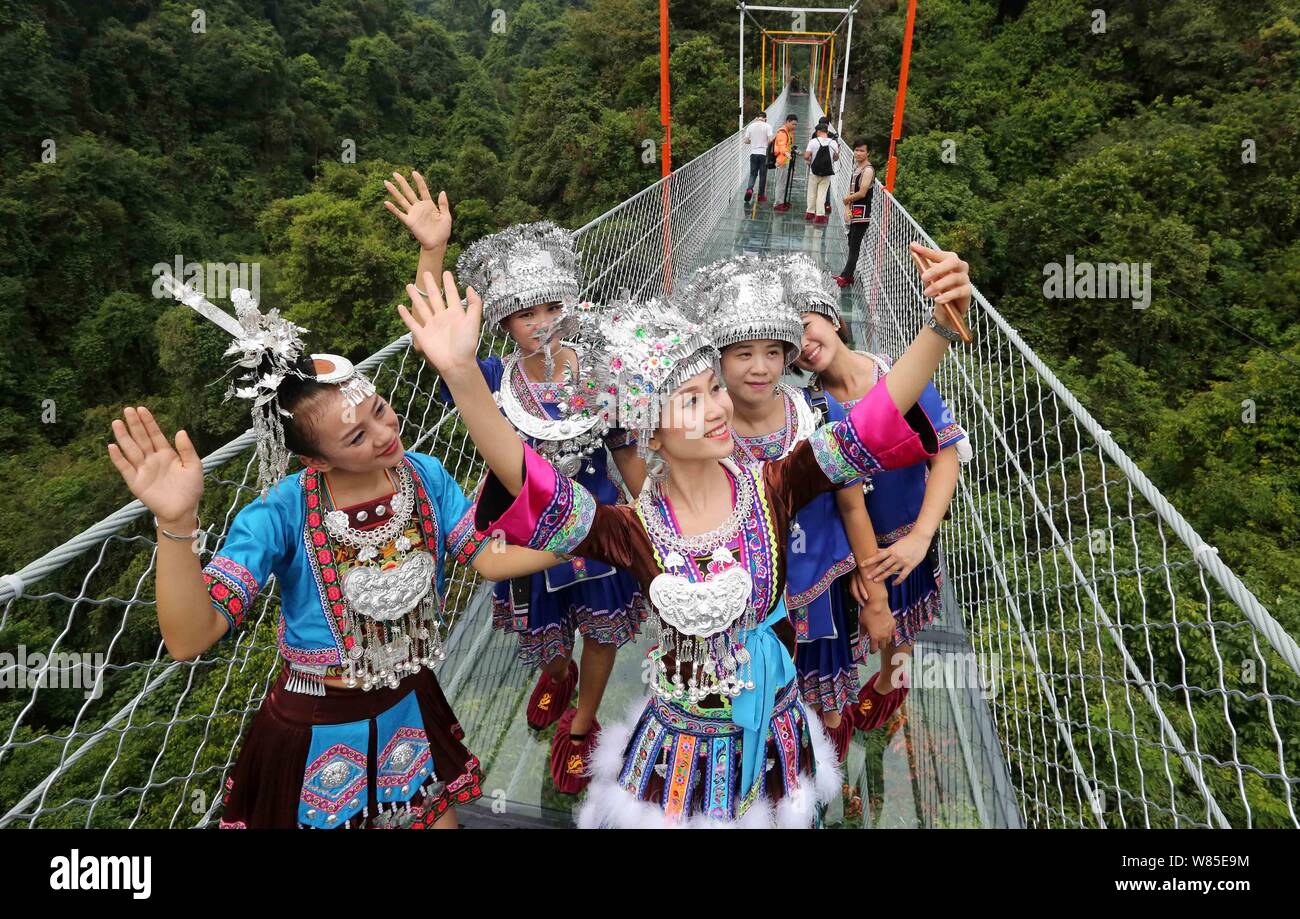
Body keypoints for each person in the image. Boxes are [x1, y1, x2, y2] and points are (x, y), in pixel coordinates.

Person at [398, 239, 974, 827]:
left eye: (714, 389)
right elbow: (530, 482)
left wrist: (938, 329)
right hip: (679, 743)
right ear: (651, 433)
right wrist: (463, 375)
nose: (720, 407)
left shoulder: (776, 485)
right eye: (691, 400)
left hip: (773, 718)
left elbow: (873, 420)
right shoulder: (632, 531)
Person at [107, 283, 562, 829]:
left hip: (410, 701)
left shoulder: (424, 475)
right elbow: (189, 637)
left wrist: (579, 543)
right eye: (355, 435)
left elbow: (486, 556)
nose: (384, 433)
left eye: (380, 409)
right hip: (318, 722)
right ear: (314, 460)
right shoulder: (280, 513)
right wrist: (176, 524)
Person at [399, 208, 648, 795]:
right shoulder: (488, 380)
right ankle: (556, 676)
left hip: (600, 528)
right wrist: (433, 251)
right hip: (526, 537)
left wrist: (658, 518)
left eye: (552, 309)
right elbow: (435, 344)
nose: (542, 324)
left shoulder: (603, 372)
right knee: (546, 631)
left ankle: (582, 722)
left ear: (570, 307)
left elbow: (628, 452)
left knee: (603, 631)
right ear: (504, 322)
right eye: (525, 313)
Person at [701, 254, 887, 763]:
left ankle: (819, 770)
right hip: (748, 605)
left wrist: (874, 596)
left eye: (772, 352)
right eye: (742, 354)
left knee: (829, 700)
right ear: (717, 359)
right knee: (754, 701)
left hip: (821, 587)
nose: (760, 368)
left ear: (788, 355)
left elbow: (852, 507)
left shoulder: (816, 415)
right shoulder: (706, 434)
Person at [795, 291, 970, 733]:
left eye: (806, 325)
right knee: (865, 627)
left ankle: (892, 687)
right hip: (855, 555)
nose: (804, 343)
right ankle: (851, 702)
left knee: (901, 631)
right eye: (791, 341)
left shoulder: (895, 377)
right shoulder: (808, 411)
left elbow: (946, 456)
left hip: (909, 537)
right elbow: (835, 501)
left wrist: (920, 538)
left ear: (832, 319)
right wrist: (857, 565)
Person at [834, 139, 875, 287]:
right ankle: (848, 275)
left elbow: (862, 192)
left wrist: (846, 201)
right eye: (856, 150)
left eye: (861, 150)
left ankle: (845, 276)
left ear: (868, 153)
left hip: (862, 212)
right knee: (851, 242)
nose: (858, 153)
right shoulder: (857, 167)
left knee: (854, 245)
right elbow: (852, 190)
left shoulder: (868, 170)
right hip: (855, 209)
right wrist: (847, 207)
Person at [804, 122, 838, 225]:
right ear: (827, 132)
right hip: (827, 173)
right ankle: (819, 216)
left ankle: (810, 213)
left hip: (814, 172)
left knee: (812, 193)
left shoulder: (813, 142)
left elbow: (806, 156)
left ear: (818, 132)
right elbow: (836, 158)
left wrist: (810, 159)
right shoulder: (833, 143)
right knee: (822, 195)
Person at [742, 111, 774, 205]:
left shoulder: (750, 126)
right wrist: (764, 143)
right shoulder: (767, 126)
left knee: (753, 174)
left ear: (757, 118)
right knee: (763, 175)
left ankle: (749, 189)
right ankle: (761, 196)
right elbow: (770, 139)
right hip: (764, 154)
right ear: (765, 118)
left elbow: (746, 140)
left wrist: (754, 142)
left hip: (753, 153)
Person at [772, 113, 799, 213]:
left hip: (786, 161)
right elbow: (782, 146)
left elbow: (788, 145)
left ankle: (782, 201)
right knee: (781, 183)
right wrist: (787, 154)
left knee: (784, 183)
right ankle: (778, 203)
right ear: (787, 122)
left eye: (796, 125)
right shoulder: (782, 133)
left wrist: (793, 151)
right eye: (793, 124)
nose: (794, 126)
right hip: (782, 162)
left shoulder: (789, 132)